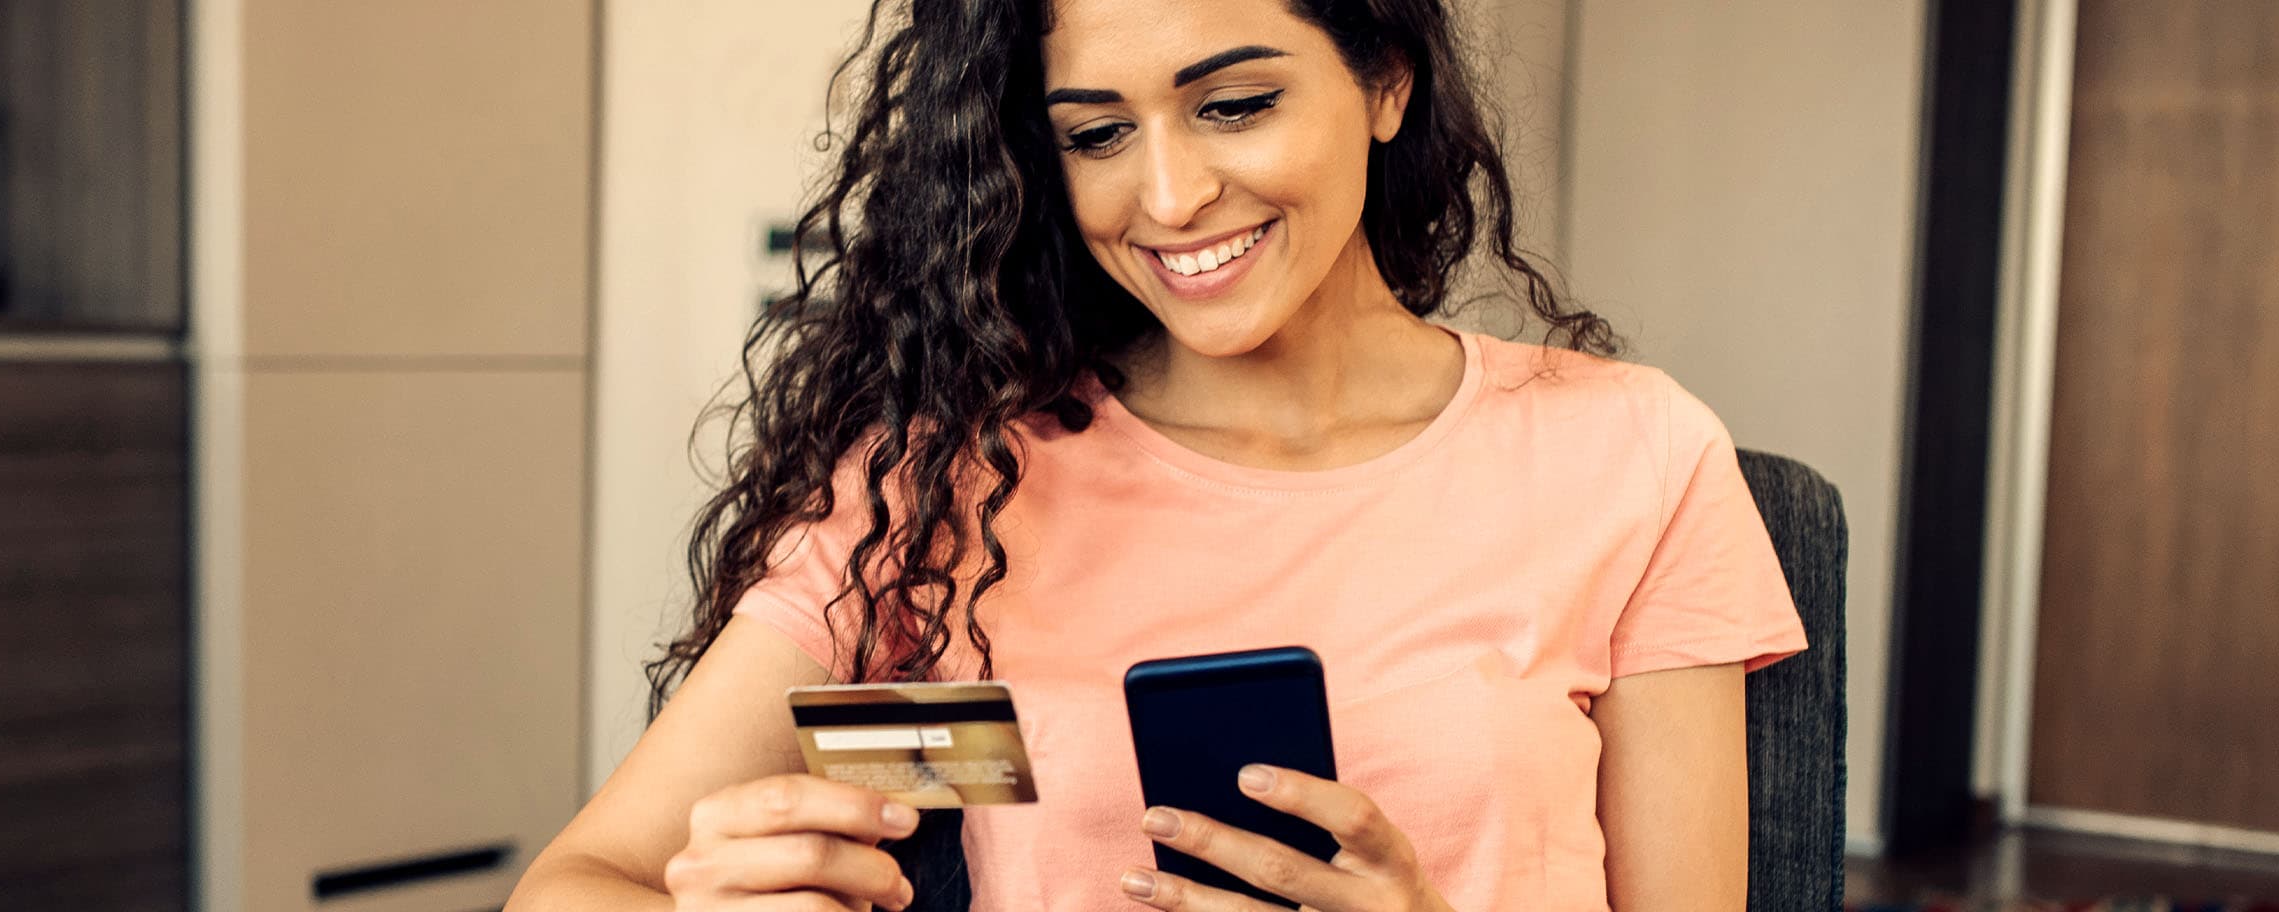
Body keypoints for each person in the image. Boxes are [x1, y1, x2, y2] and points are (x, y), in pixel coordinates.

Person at [510, 0, 1806, 907]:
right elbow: (579, 884)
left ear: (1387, 82)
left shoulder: (1629, 455)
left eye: (1234, 105)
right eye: (1097, 134)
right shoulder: (958, 483)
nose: (1171, 197)